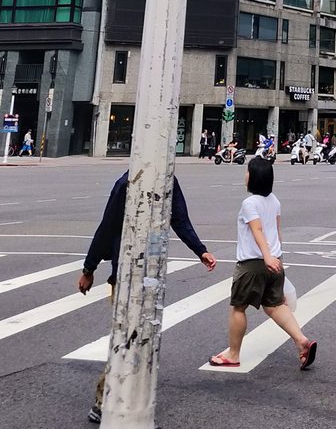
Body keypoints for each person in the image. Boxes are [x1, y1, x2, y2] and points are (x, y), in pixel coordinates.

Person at [78, 171, 217, 423]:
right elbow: (107, 227)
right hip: (125, 274)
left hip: (150, 274)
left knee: (139, 340)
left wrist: (200, 250)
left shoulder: (166, 178)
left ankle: (125, 398)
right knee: (127, 340)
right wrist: (89, 268)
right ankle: (104, 400)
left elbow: (179, 220)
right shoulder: (127, 183)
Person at [208, 156, 316, 371]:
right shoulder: (274, 201)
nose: (245, 175)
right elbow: (276, 231)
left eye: (248, 171)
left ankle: (233, 354)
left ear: (254, 178)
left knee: (238, 307)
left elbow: (257, 229)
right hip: (275, 262)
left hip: (253, 264)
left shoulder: (250, 203)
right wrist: (277, 257)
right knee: (275, 306)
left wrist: (266, 256)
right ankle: (301, 340)